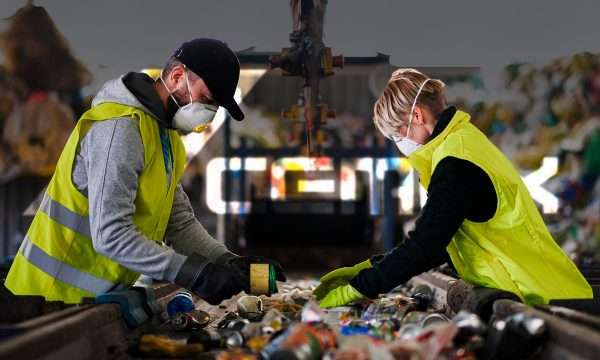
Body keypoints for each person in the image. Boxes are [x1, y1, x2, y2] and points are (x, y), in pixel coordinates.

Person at [5, 38, 285, 304]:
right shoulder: (119, 128)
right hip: (44, 300)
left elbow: (181, 225)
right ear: (177, 76)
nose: (209, 113)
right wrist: (193, 274)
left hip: (88, 302)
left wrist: (229, 262)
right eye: (207, 99)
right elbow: (111, 235)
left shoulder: (167, 138)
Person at [315, 68, 592, 308]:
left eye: (398, 132)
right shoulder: (462, 142)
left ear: (418, 116)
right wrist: (370, 268)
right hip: (538, 292)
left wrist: (359, 287)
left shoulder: (455, 162)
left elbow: (426, 244)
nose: (400, 144)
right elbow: (445, 243)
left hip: (543, 300)